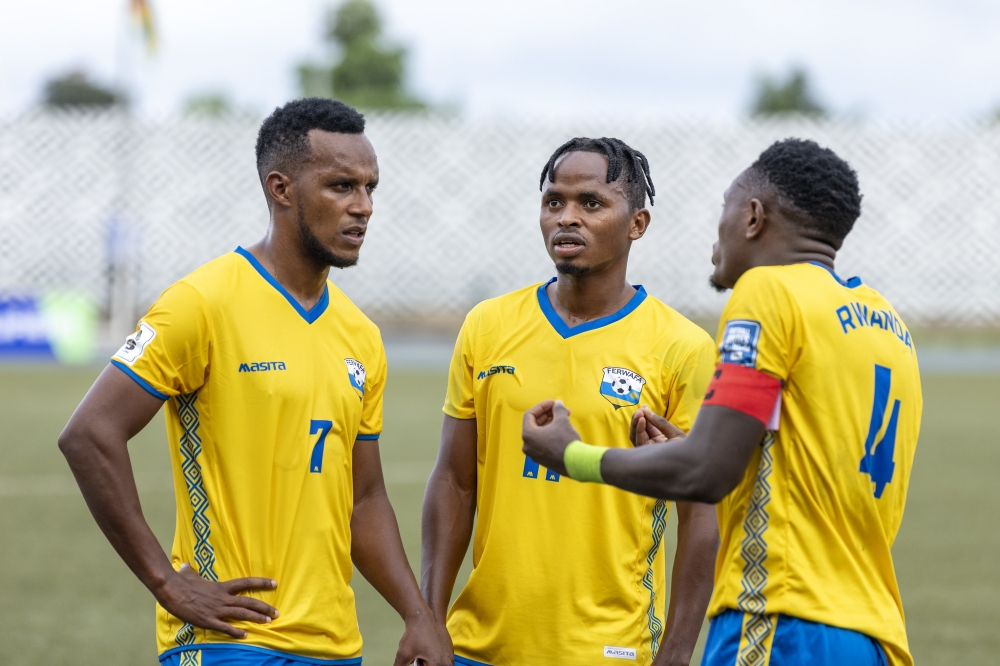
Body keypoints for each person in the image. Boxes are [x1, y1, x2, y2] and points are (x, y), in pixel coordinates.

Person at [58, 98, 450, 666]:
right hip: (231, 643)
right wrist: (168, 583)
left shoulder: (361, 336)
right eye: (341, 186)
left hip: (336, 646)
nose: (363, 207)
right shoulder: (202, 303)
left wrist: (417, 615)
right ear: (281, 188)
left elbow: (363, 499)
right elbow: (89, 433)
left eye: (370, 188)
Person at [522, 138, 920, 666]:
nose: (717, 236)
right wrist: (692, 447)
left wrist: (573, 455)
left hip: (780, 620)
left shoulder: (769, 293)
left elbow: (705, 473)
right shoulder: (888, 325)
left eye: (724, 212)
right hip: (872, 635)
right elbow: (802, 473)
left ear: (752, 217)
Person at [421, 137, 720, 666]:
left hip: (610, 650)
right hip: (478, 648)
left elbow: (701, 517)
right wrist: (428, 618)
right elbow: (454, 480)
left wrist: (675, 653)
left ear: (638, 223)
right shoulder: (487, 326)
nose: (567, 217)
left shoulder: (682, 348)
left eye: (592, 203)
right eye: (553, 201)